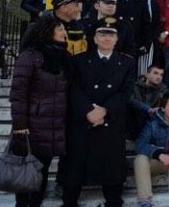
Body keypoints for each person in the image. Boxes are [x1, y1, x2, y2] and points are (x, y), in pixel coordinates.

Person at [61, 21, 137, 207]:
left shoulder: (127, 62)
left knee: (111, 168)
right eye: (102, 35)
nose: (107, 38)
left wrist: (105, 110)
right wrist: (88, 111)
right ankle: (69, 201)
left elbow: (126, 91)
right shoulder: (78, 60)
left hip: (110, 119)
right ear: (94, 38)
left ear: (117, 39)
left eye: (111, 35)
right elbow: (74, 88)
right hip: (83, 119)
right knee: (75, 166)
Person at [10, 17, 69, 207]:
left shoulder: (63, 56)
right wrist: (20, 125)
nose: (64, 32)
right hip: (32, 125)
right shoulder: (30, 57)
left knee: (42, 173)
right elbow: (19, 93)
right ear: (46, 31)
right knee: (27, 173)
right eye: (59, 28)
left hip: (55, 125)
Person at [128, 64, 168, 140]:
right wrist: (147, 109)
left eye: (161, 75)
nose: (159, 77)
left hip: (152, 121)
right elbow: (130, 100)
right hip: (134, 120)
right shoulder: (134, 86)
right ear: (147, 74)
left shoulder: (164, 90)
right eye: (155, 73)